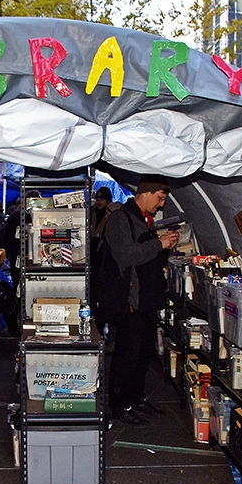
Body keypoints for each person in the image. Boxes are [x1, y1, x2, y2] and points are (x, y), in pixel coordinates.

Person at [104, 179, 179, 426]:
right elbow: (127, 256)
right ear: (145, 193)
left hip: (148, 299)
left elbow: (148, 258)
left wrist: (164, 246)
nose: (161, 204)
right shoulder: (120, 220)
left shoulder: (145, 221)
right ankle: (118, 404)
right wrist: (159, 243)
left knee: (143, 352)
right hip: (130, 300)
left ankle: (135, 398)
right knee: (127, 353)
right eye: (159, 197)